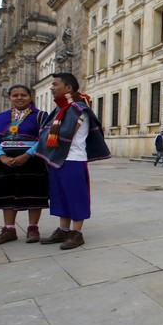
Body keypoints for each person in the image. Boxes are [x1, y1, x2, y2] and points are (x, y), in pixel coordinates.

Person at [35, 73, 111, 250]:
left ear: (68, 88)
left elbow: (66, 132)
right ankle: (63, 229)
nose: (52, 87)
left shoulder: (78, 108)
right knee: (60, 196)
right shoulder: (62, 108)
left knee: (76, 196)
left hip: (73, 160)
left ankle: (76, 233)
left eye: (55, 84)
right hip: (58, 159)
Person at [0, 85, 49, 245]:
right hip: (5, 161)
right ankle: (9, 229)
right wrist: (1, 156)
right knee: (7, 193)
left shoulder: (40, 116)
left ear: (30, 96)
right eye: (15, 95)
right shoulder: (2, 117)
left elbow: (45, 138)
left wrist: (27, 154)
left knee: (33, 193)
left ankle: (33, 228)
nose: (19, 98)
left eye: (23, 95)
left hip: (31, 160)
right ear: (10, 97)